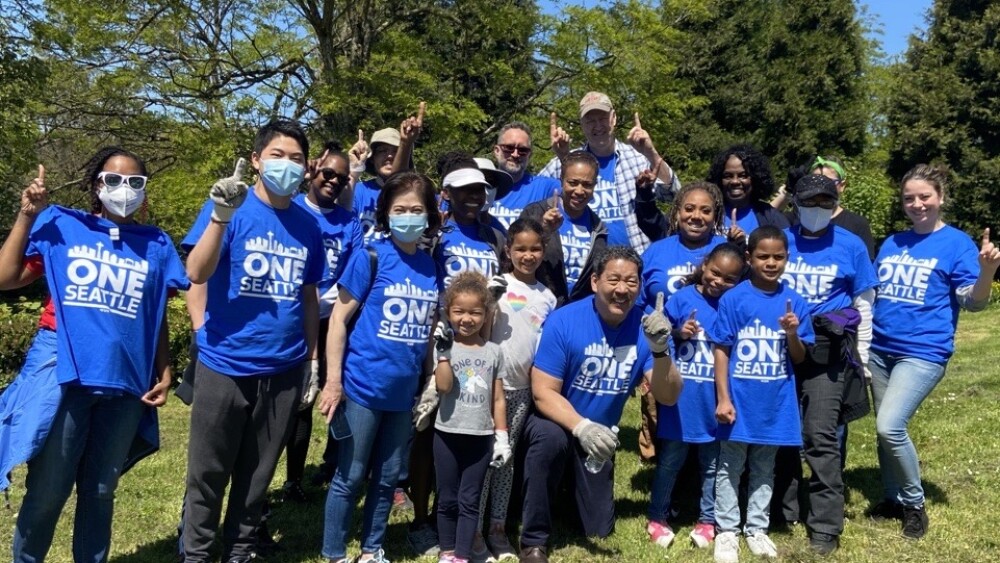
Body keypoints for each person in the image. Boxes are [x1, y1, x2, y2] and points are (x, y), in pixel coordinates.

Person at [2, 148, 188, 562]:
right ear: (96, 185)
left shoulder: (156, 244)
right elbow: (6, 276)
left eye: (136, 182)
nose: (125, 189)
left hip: (125, 381)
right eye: (114, 180)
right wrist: (27, 215)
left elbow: (154, 312)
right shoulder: (61, 225)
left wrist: (164, 366)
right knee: (49, 489)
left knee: (101, 491)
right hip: (65, 371)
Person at [181, 119, 325, 562]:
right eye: (277, 155)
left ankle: (241, 549)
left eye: (297, 158)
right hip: (224, 363)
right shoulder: (229, 206)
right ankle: (197, 552)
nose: (287, 165)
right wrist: (221, 217)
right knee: (208, 471)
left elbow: (308, 294)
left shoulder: (308, 225)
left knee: (258, 473)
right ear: (258, 159)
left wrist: (312, 360)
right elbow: (196, 273)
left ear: (307, 168)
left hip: (283, 368)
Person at [516, 246, 684, 563]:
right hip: (558, 422)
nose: (622, 290)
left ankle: (565, 493)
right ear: (595, 281)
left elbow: (668, 395)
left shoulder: (649, 327)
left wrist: (661, 351)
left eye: (631, 282)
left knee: (597, 529)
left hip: (600, 438)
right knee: (550, 441)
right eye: (614, 280)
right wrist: (582, 427)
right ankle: (534, 541)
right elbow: (542, 393)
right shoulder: (564, 321)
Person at [867, 164, 999, 539]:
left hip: (923, 352)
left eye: (924, 196)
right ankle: (891, 498)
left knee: (889, 426)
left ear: (940, 198)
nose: (917, 203)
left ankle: (914, 504)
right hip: (881, 349)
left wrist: (987, 272)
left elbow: (972, 303)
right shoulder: (893, 242)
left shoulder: (956, 244)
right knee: (883, 432)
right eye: (909, 198)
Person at [319, 171, 443, 563]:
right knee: (351, 476)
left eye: (417, 210)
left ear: (429, 216)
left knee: (388, 478)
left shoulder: (429, 267)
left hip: (402, 394)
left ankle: (372, 549)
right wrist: (332, 381)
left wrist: (428, 380)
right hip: (362, 387)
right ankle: (335, 552)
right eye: (400, 209)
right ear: (386, 214)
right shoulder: (370, 256)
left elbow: (425, 331)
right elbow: (338, 319)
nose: (409, 216)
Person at [711, 226, 814, 563]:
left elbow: (799, 358)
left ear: (787, 258)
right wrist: (723, 398)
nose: (771, 263)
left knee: (763, 467)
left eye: (778, 257)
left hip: (775, 404)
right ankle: (726, 530)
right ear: (748, 258)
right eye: (763, 256)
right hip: (739, 401)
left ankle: (756, 528)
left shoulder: (795, 302)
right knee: (729, 465)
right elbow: (722, 351)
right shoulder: (733, 299)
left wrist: (792, 334)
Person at [647, 243, 746, 551]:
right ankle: (657, 517)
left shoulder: (735, 306)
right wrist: (679, 332)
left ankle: (707, 519)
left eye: (729, 279)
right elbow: (658, 336)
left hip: (713, 400)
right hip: (680, 400)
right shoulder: (681, 299)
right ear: (704, 266)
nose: (719, 281)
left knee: (712, 465)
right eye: (715, 273)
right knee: (670, 461)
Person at [281, 142, 364, 500]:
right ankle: (292, 478)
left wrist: (334, 298)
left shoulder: (351, 223)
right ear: (313, 170)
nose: (333, 181)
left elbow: (356, 267)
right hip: (293, 318)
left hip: (335, 317)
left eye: (341, 178)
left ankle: (336, 466)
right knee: (298, 399)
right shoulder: (292, 209)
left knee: (334, 391)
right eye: (328, 173)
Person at [478, 218, 557, 560]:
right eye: (520, 248)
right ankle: (474, 528)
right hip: (485, 387)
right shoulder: (495, 285)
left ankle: (497, 527)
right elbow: (477, 330)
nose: (528, 255)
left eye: (535, 248)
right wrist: (490, 301)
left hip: (521, 391)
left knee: (505, 459)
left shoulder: (548, 298)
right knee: (482, 457)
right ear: (508, 250)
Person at [634, 180, 729, 462]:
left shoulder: (726, 252)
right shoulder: (656, 251)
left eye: (705, 211)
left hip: (710, 356)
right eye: (689, 209)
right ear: (676, 212)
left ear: (716, 216)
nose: (696, 216)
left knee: (707, 428)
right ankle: (665, 487)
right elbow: (638, 303)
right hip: (663, 351)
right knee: (662, 422)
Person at [430, 272, 509, 563]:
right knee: (447, 499)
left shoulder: (494, 351)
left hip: (480, 437)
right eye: (459, 311)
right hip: (447, 434)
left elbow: (498, 398)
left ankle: (462, 556)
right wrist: (442, 355)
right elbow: (444, 386)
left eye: (475, 312)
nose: (467, 318)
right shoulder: (445, 347)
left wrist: (502, 436)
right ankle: (447, 551)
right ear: (448, 312)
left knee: (469, 500)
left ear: (486, 313)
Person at [539, 92, 679, 251]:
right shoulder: (566, 162)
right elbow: (530, 198)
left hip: (637, 262)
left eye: (603, 118)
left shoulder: (638, 159)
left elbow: (673, 195)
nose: (597, 126)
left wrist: (650, 151)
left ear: (614, 118)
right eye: (590, 121)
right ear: (582, 124)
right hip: (588, 266)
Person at [520, 150, 607, 306]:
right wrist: (544, 230)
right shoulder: (535, 213)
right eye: (573, 183)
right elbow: (516, 257)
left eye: (587, 185)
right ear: (561, 181)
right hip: (535, 306)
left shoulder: (598, 227)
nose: (579, 191)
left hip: (575, 313)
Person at [343, 103, 425, 242]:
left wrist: (406, 143)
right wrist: (353, 172)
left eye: (395, 151)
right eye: (382, 151)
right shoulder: (358, 191)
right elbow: (340, 217)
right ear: (372, 158)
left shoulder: (416, 194)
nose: (389, 156)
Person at [706, 145, 789, 242]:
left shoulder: (770, 217)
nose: (735, 181)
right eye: (728, 176)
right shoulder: (707, 212)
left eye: (743, 175)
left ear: (755, 178)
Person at [489, 122, 561, 229]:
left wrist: (563, 154)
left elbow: (575, 187)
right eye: (509, 148)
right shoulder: (482, 186)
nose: (515, 154)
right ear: (497, 151)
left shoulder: (543, 187)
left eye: (522, 150)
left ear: (529, 154)